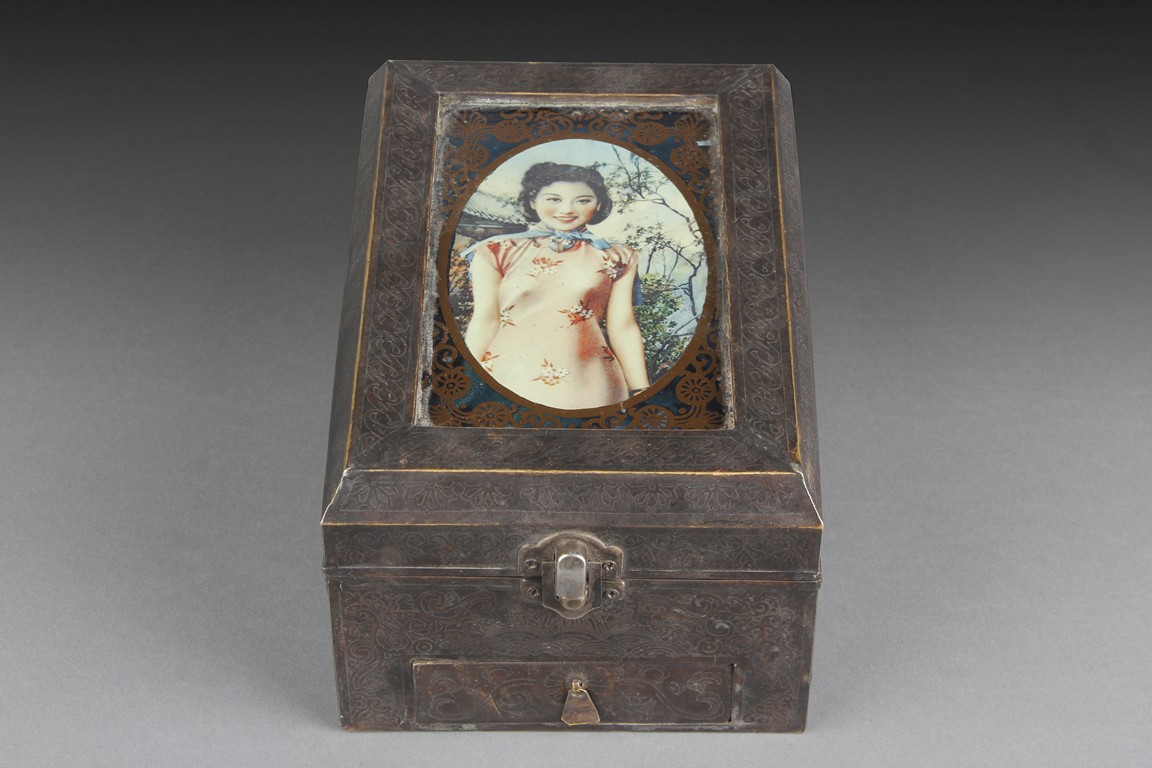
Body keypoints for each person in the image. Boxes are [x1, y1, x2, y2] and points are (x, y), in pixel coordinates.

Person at [463, 162, 650, 410]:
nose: (567, 210)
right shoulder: (495, 250)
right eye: (553, 199)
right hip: (507, 374)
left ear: (599, 204)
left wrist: (641, 390)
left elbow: (623, 326)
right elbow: (485, 320)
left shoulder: (618, 255)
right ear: (533, 201)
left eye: (583, 201)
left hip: (589, 379)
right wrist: (466, 383)